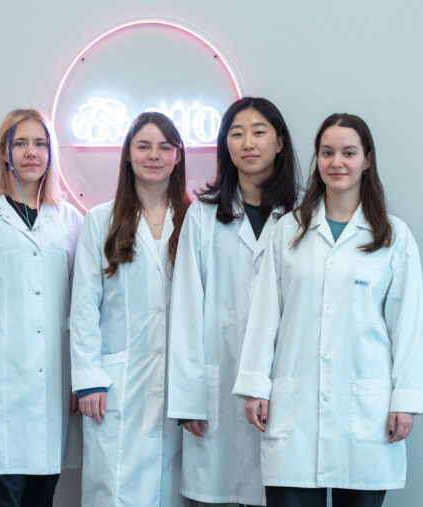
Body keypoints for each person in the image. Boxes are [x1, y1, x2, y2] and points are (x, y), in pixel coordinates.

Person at [232, 113, 423, 507]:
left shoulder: (393, 237)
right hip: (295, 407)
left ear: (367, 160)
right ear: (317, 159)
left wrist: (404, 399)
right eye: (327, 152)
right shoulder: (289, 230)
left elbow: (407, 327)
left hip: (366, 410)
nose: (337, 162)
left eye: (348, 153)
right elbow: (265, 314)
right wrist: (255, 386)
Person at [0, 108, 83, 507]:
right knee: (2, 491)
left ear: (51, 154)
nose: (30, 152)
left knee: (43, 490)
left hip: (53, 377)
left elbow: (81, 306)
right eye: (19, 143)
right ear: (4, 153)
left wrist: (80, 378)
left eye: (40, 144)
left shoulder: (69, 220)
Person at [167, 97, 299, 507]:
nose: (247, 143)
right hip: (218, 380)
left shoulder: (302, 214)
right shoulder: (203, 214)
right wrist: (189, 399)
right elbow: (186, 309)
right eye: (236, 134)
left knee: (282, 489)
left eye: (259, 132)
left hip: (284, 381)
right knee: (218, 492)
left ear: (280, 142)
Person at [70, 112, 190, 506]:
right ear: (127, 154)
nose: (154, 155)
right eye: (143, 146)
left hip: (176, 383)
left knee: (171, 488)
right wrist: (88, 379)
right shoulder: (99, 220)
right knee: (115, 490)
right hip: (116, 381)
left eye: (164, 147)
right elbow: (84, 307)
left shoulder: (195, 220)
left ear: (178, 156)